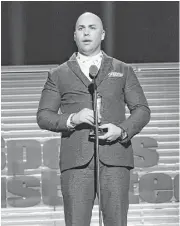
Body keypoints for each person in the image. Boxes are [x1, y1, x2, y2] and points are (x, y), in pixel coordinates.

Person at [37, 12, 151, 226]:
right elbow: (44, 116)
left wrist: (121, 130)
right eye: (81, 28)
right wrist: (73, 118)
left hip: (115, 159)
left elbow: (142, 110)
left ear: (103, 34)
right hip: (77, 163)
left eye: (92, 27)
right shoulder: (58, 74)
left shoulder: (122, 70)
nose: (86, 32)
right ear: (74, 35)